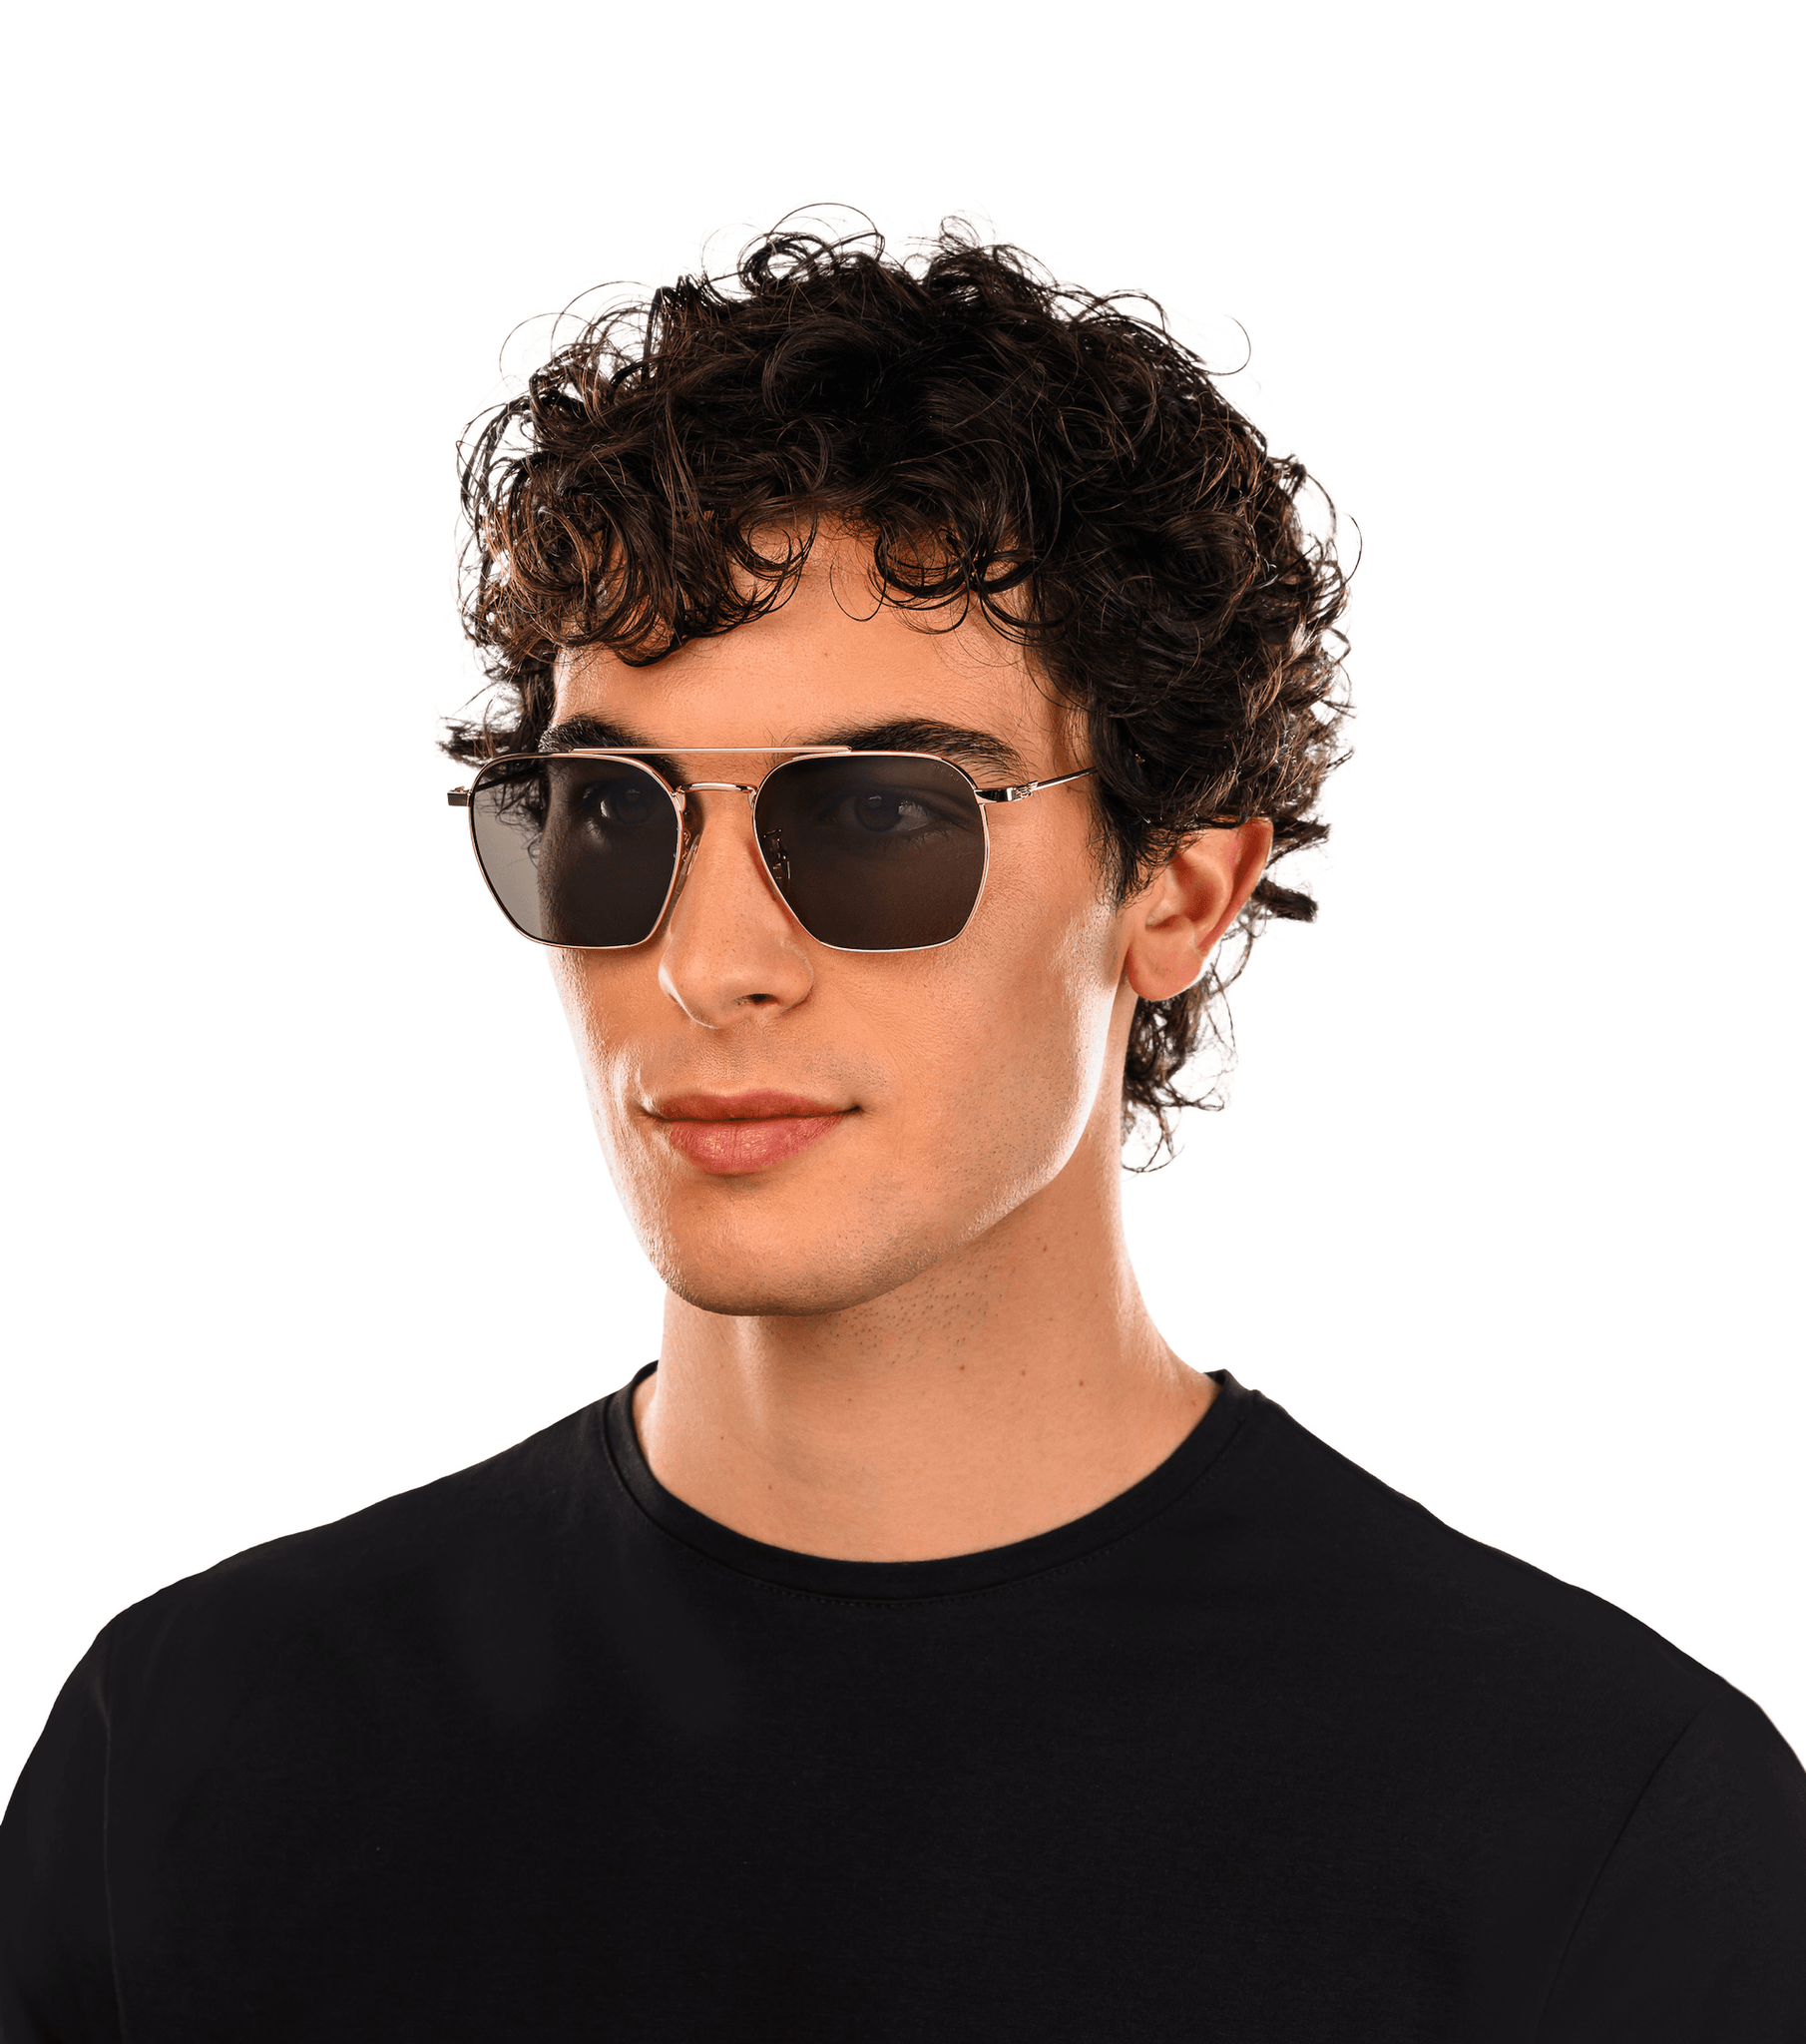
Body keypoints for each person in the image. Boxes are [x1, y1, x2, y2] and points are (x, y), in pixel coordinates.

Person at [3, 225, 1802, 2042]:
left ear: (1178, 889)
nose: (706, 963)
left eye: (876, 818)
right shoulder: (187, 1754)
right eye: (610, 812)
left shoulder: (1596, 1834)